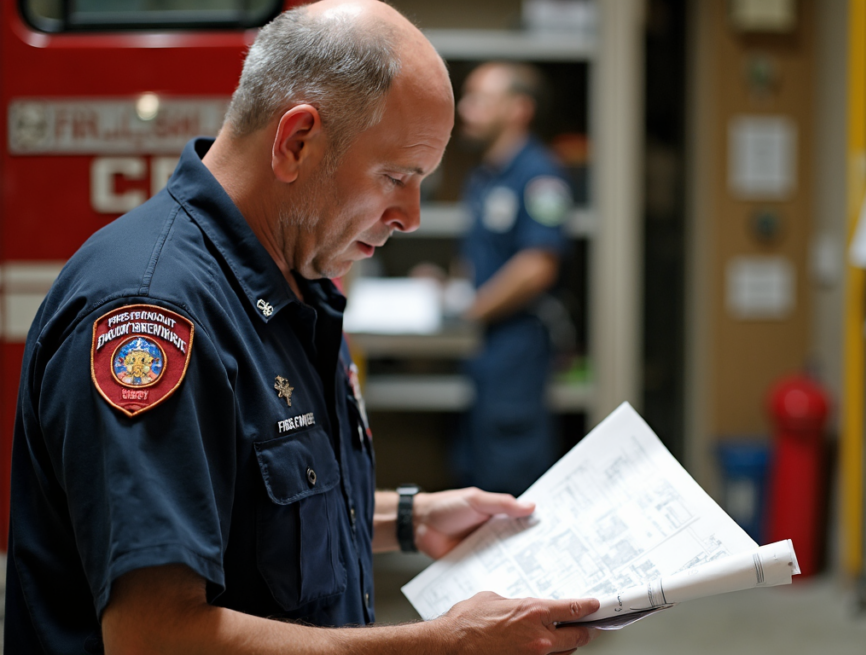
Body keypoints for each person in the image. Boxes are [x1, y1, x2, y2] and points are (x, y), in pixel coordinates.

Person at [4, 2, 598, 653]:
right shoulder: (152, 312)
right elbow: (155, 633)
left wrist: (409, 517)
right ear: (296, 142)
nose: (411, 215)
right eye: (397, 177)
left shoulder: (293, 279)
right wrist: (444, 643)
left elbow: (249, 511)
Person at [455, 62, 573, 496]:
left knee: (511, 482)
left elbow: (537, 266)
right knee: (476, 474)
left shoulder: (540, 176)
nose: (466, 109)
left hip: (517, 350)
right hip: (484, 350)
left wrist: (469, 310)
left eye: (480, 100)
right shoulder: (484, 177)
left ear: (519, 109)